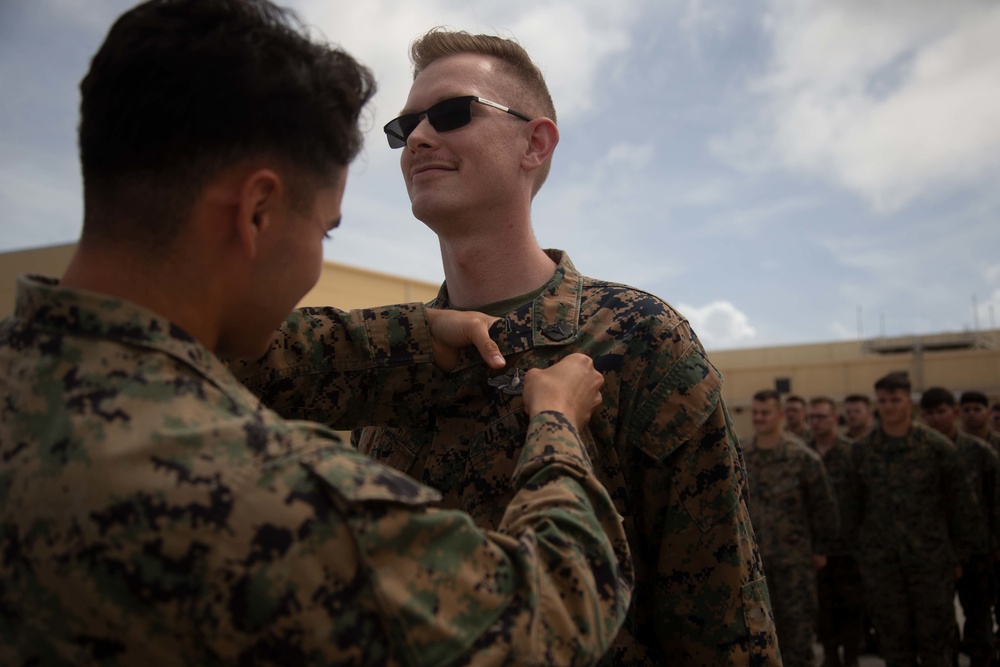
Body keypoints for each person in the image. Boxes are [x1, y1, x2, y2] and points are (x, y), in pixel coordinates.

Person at [0, 2, 635, 665]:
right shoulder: (270, 496)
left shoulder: (36, 370)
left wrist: (413, 337)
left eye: (450, 114)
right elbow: (551, 616)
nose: (418, 140)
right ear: (256, 213)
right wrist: (557, 423)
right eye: (324, 230)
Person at [242, 27, 780, 665]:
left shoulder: (639, 338)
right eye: (402, 128)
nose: (417, 139)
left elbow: (722, 618)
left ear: (536, 142)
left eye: (451, 114)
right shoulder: (383, 359)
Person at [842, 373, 984, 667]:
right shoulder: (861, 452)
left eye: (896, 400)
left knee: (937, 646)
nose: (889, 407)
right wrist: (861, 556)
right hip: (882, 569)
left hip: (931, 566)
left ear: (909, 402)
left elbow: (961, 509)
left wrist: (958, 556)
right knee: (894, 646)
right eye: (883, 400)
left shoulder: (938, 448)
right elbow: (851, 509)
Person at [744, 389, 838, 667]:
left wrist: (820, 550)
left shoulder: (803, 458)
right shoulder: (741, 455)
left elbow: (825, 509)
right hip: (754, 568)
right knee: (758, 643)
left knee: (797, 640)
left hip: (794, 566)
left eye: (766, 412)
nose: (759, 418)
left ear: (781, 416)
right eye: (756, 412)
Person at [920, 387, 999, 667]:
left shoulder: (979, 451)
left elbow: (994, 503)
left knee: (978, 615)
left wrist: (994, 545)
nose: (936, 419)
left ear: (952, 412)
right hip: (935, 551)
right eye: (929, 413)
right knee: (940, 620)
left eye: (941, 412)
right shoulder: (922, 452)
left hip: (975, 550)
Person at [807, 397, 864, 667]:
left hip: (849, 547)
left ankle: (851, 657)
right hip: (816, 548)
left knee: (851, 608)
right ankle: (830, 657)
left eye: (821, 417)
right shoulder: (803, 454)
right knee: (823, 609)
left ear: (835, 419)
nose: (816, 422)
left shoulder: (854, 453)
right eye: (812, 417)